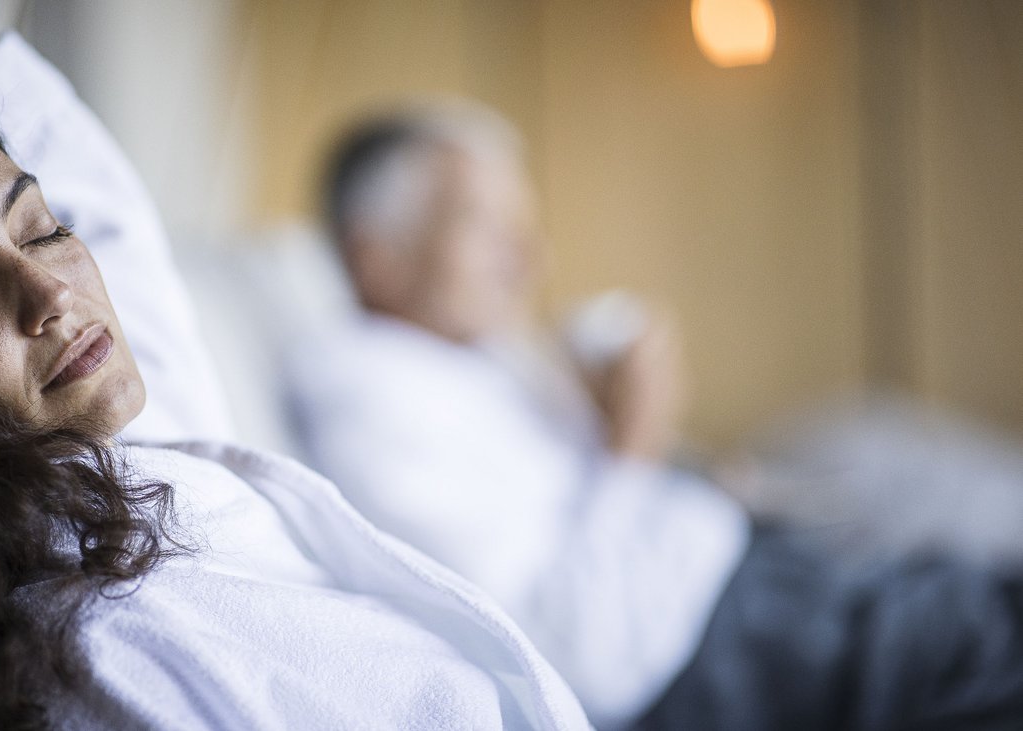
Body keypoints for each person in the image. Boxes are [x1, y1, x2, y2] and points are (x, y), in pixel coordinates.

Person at [0, 37, 589, 731]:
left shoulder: (117, 433)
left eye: (43, 228)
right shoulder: (108, 648)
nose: (53, 295)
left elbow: (45, 117)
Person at [288, 102, 1023, 730]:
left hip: (744, 571)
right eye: (484, 223)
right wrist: (633, 439)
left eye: (524, 222)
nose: (529, 256)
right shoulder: (369, 397)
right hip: (717, 648)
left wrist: (640, 435)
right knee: (987, 642)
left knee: (961, 576)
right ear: (377, 257)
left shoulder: (474, 354)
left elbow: (586, 490)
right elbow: (582, 652)